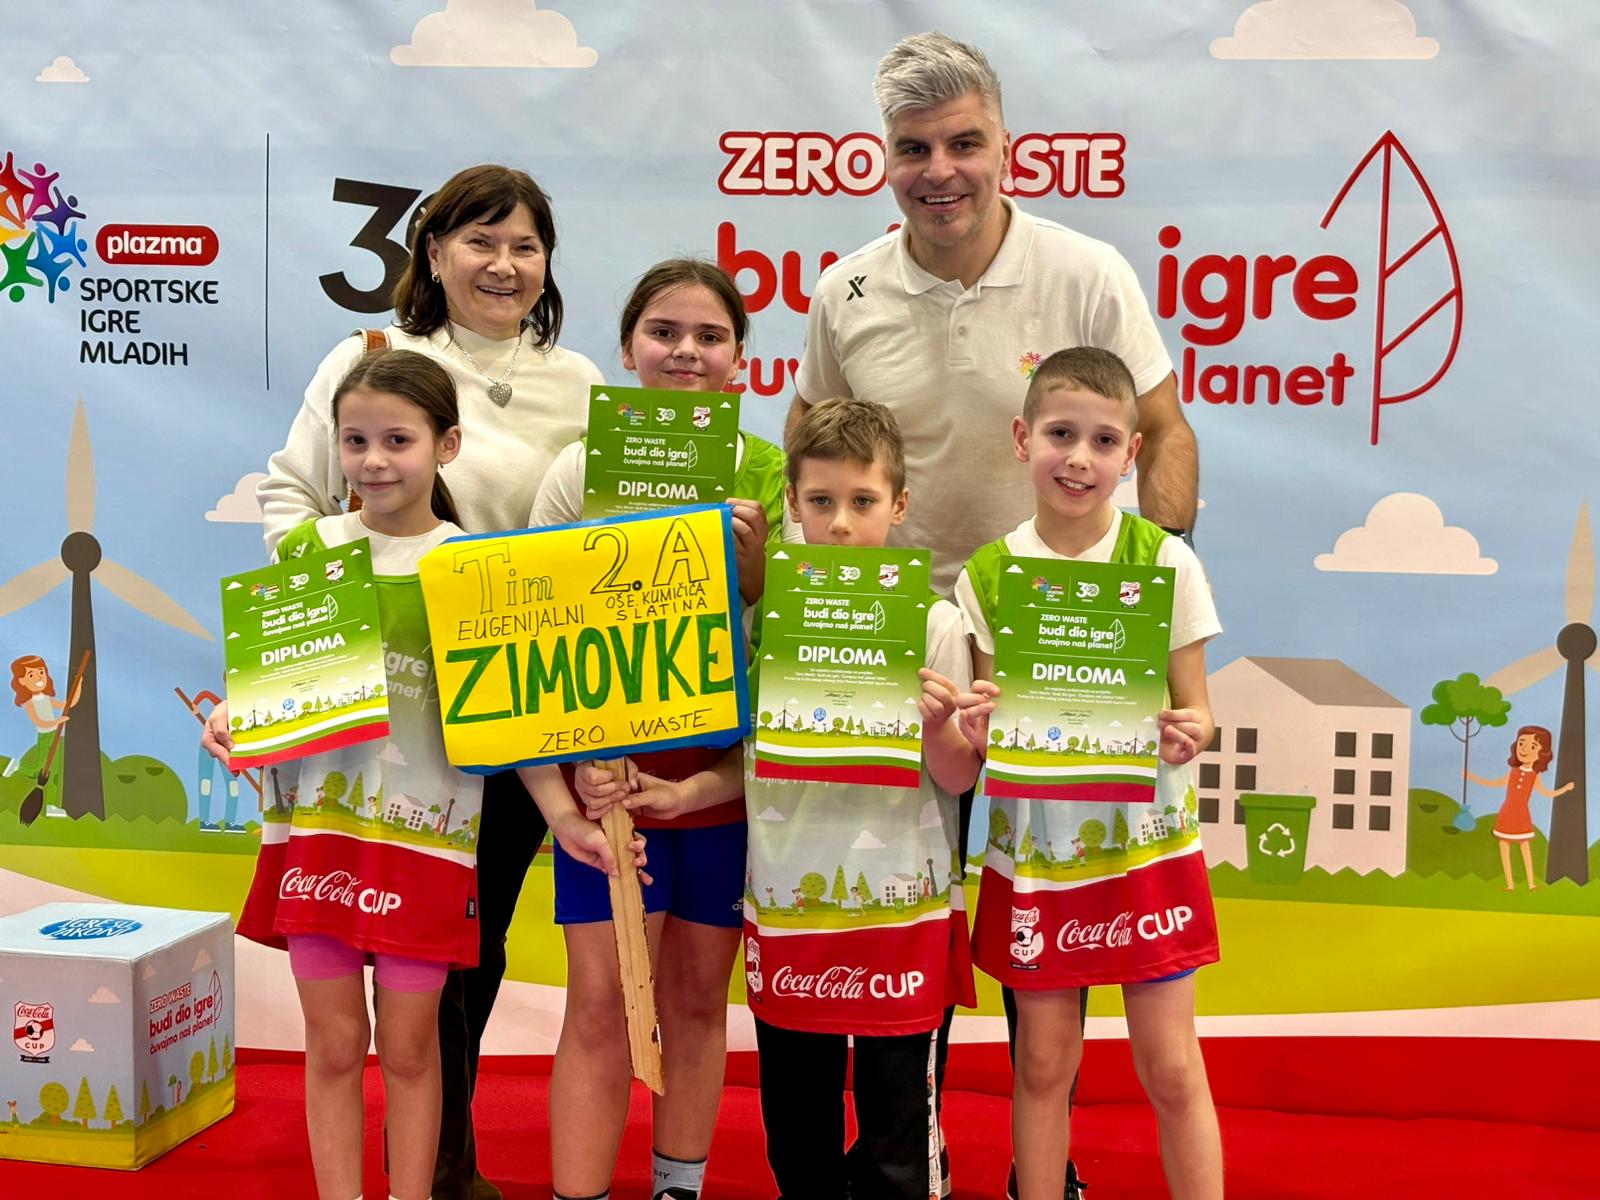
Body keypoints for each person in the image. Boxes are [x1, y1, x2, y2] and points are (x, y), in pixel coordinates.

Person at [789, 34, 1200, 1195]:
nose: (940, 172)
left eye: (963, 142)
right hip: (903, 658)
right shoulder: (845, 291)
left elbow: (1164, 430)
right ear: (884, 158)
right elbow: (807, 448)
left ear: (1004, 144)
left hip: (1056, 659)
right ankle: (905, 1164)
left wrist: (1146, 585)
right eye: (913, 149)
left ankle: (1041, 1171)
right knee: (903, 918)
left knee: (1046, 935)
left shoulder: (1087, 273)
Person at [222, 163, 602, 1199]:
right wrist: (327, 637)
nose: (503, 263)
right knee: (363, 997)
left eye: (525, 245)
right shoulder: (372, 357)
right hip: (365, 720)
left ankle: (437, 1163)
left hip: (508, 700)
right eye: (480, 240)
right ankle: (440, 1172)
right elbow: (293, 497)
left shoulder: (578, 382)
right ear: (433, 252)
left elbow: (602, 531)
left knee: (462, 954)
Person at [523, 260, 789, 1200]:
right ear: (628, 348)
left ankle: (679, 1184)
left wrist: (757, 575)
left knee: (695, 1000)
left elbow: (801, 643)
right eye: (664, 332)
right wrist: (577, 772)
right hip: (607, 779)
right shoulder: (578, 468)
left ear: (740, 361)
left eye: (710, 336)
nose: (685, 352)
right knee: (600, 1003)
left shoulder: (771, 477)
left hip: (717, 779)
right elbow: (529, 627)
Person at [212, 348, 484, 1200]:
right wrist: (236, 712)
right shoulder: (312, 550)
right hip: (318, 842)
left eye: (398, 440)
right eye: (355, 440)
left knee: (409, 1048)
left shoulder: (471, 566)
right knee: (331, 1046)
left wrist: (573, 811)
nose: (373, 461)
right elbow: (274, 680)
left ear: (446, 446)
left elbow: (508, 720)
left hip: (426, 848)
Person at [953, 348, 1223, 1200]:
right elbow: (989, 724)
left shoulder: (1164, 561)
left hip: (1145, 849)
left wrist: (1190, 733)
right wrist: (978, 728)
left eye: (1104, 441)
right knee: (1042, 1063)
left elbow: (1199, 710)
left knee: (1170, 1065)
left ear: (1132, 454)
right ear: (1022, 437)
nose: (1079, 458)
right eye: (1061, 434)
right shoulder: (988, 575)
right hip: (1040, 855)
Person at [740, 397, 983, 1199]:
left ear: (899, 504)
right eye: (820, 500)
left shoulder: (937, 623)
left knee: (896, 1127)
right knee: (796, 1119)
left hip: (901, 914)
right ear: (792, 502)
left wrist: (937, 725)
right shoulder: (764, 615)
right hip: (789, 901)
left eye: (862, 501)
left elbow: (957, 778)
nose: (840, 523)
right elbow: (746, 751)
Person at [1465, 725, 1573, 890]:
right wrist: (1473, 778)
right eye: (1521, 743)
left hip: (1522, 814)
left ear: (1542, 753)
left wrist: (1564, 789)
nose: (1524, 749)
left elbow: (1546, 793)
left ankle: (1531, 883)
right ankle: (1510, 884)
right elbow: (1494, 783)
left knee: (1525, 847)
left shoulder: (1533, 776)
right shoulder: (1513, 772)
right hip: (1506, 813)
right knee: (1504, 847)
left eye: (1532, 746)